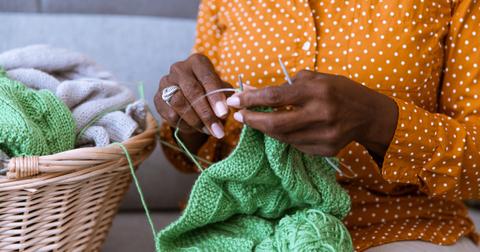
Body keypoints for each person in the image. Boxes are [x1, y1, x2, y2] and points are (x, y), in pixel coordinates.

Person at [154, 0, 480, 251]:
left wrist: (378, 120)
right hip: (240, 224)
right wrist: (190, 114)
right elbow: (187, 155)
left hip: (403, 222)